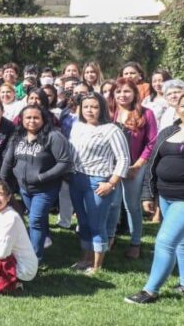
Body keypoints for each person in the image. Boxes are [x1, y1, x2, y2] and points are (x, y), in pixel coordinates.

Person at [126, 92, 184, 304]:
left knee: (165, 242)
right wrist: (149, 193)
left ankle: (150, 291)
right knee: (183, 241)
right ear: (177, 108)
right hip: (165, 196)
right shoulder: (169, 131)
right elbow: (153, 165)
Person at [68, 93, 130, 274]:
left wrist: (111, 183)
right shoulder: (77, 126)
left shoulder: (111, 130)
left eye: (94, 107)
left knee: (97, 224)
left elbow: (124, 159)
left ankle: (97, 265)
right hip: (77, 179)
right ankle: (85, 258)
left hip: (99, 182)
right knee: (83, 221)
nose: (90, 110)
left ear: (102, 108)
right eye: (86, 106)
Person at [0, 106, 71, 261]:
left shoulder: (54, 137)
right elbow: (8, 161)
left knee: (35, 220)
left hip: (45, 189)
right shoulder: (18, 136)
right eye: (28, 117)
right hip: (24, 188)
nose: (32, 121)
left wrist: (42, 177)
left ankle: (33, 259)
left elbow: (65, 162)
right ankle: (44, 240)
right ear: (22, 119)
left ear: (43, 119)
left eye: (36, 117)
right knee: (38, 218)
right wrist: (3, 183)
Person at [107, 77, 158, 259]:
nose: (122, 95)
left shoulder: (146, 113)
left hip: (135, 166)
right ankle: (110, 237)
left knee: (132, 206)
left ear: (135, 93)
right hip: (111, 167)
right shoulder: (109, 113)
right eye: (118, 91)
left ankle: (135, 242)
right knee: (112, 204)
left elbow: (152, 143)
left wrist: (137, 165)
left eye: (127, 91)